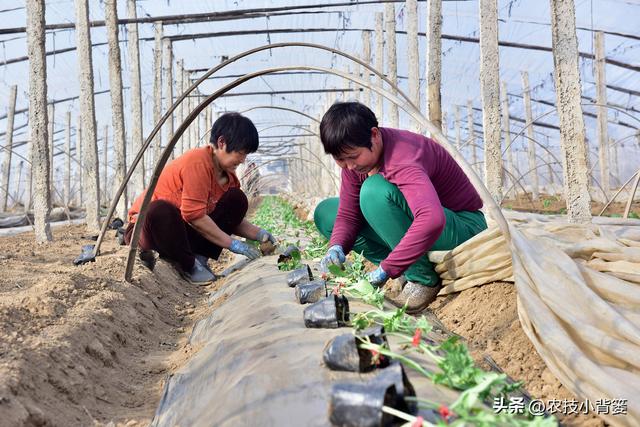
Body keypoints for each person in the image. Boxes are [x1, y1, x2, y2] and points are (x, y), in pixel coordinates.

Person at [314, 102, 487, 313]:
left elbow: (432, 219)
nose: (349, 167)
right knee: (327, 213)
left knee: (373, 192)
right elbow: (348, 215)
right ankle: (406, 266)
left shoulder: (403, 156)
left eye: (353, 157)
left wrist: (387, 268)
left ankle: (421, 279)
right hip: (423, 228)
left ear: (374, 135)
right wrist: (337, 246)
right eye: (340, 159)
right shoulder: (354, 163)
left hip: (462, 228)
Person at [125, 112, 276, 285]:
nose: (242, 160)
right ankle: (189, 265)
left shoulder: (230, 179)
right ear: (221, 142)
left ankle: (199, 258)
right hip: (148, 230)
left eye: (246, 154)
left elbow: (231, 221)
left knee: (237, 199)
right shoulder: (198, 162)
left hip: (180, 233)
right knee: (160, 209)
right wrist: (232, 244)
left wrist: (258, 234)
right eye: (240, 153)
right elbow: (193, 215)